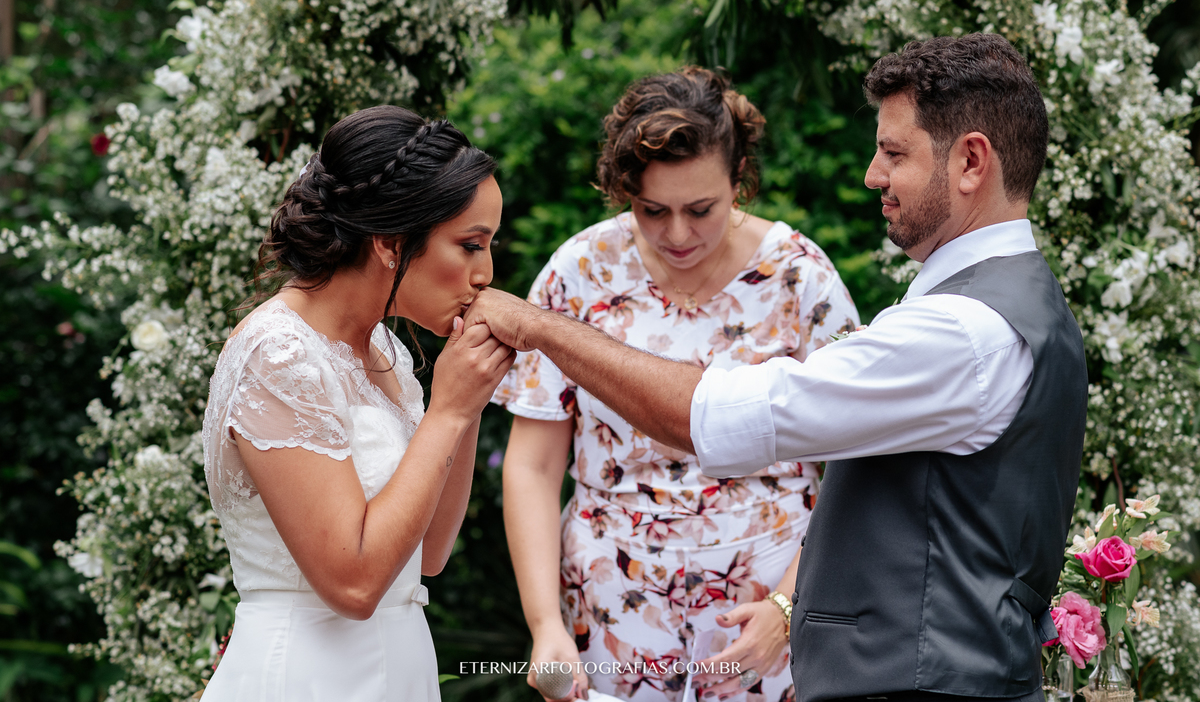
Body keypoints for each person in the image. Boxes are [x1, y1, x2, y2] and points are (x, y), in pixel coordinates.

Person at [466, 34, 1088, 702]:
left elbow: (709, 418)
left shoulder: (961, 331)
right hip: (627, 621)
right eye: (653, 210)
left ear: (971, 161)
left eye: (894, 151)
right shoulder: (997, 305)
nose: (873, 173)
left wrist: (538, 327)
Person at [493, 67, 859, 702]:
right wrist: (544, 624)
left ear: (738, 177)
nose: (678, 234)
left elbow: (857, 464)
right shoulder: (577, 275)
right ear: (622, 191)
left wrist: (788, 604)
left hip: (766, 608)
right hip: (612, 606)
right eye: (652, 210)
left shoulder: (803, 280)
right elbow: (532, 465)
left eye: (701, 209)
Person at [200, 106, 515, 701]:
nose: (486, 274)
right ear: (391, 244)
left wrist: (467, 403)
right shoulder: (278, 356)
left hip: (400, 668)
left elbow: (428, 554)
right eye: (471, 245)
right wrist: (446, 411)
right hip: (308, 676)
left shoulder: (387, 353)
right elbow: (352, 585)